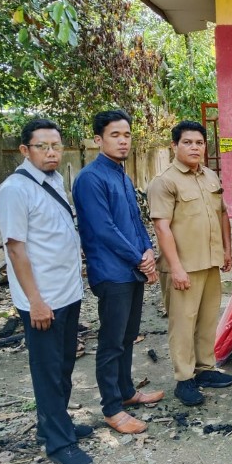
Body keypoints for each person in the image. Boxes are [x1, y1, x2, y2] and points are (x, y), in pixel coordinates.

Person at [0, 119, 93, 464]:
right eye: (42, 146)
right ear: (25, 150)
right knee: (48, 369)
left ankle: (56, 424)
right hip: (42, 300)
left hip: (66, 293)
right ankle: (58, 443)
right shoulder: (14, 190)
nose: (51, 152)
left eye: (55, 145)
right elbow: (16, 250)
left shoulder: (53, 180)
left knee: (64, 365)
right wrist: (35, 300)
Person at [73, 110, 164, 435]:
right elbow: (104, 229)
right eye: (115, 135)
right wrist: (139, 258)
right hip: (111, 273)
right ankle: (112, 408)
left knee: (128, 336)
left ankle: (126, 392)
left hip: (132, 270)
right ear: (98, 139)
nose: (123, 140)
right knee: (111, 342)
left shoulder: (122, 176)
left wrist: (149, 251)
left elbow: (134, 221)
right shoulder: (90, 178)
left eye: (126, 134)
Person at [148, 121, 232, 407]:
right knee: (183, 324)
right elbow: (162, 227)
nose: (195, 147)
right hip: (183, 266)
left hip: (209, 262)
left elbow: (222, 214)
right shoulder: (165, 181)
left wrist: (226, 250)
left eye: (199, 142)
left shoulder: (210, 176)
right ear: (174, 146)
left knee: (208, 319)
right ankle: (184, 379)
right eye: (187, 142)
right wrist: (175, 267)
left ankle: (205, 369)